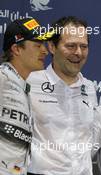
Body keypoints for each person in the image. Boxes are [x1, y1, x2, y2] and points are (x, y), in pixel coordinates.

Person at [27, 16, 97, 175]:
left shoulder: (90, 88)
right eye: (71, 46)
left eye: (83, 47)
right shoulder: (31, 82)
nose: (78, 53)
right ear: (52, 46)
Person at [0, 17, 51, 174]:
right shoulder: (2, 77)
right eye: (37, 45)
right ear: (16, 49)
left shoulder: (24, 86)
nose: (45, 51)